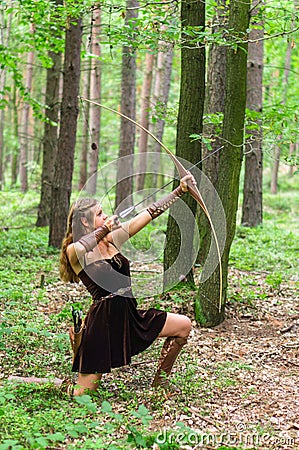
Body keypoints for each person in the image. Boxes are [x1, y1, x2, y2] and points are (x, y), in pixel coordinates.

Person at [59, 174, 195, 397]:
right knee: (82, 396)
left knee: (183, 325)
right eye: (99, 214)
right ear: (85, 222)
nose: (105, 217)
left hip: (129, 317)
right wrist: (106, 228)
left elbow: (149, 214)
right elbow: (82, 246)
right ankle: (55, 384)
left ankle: (160, 383)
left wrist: (179, 191)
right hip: (102, 325)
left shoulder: (111, 240)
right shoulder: (75, 251)